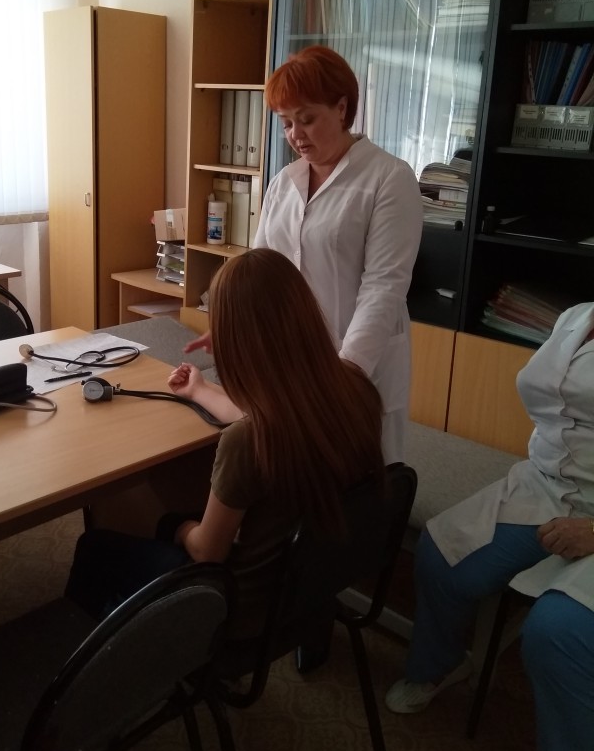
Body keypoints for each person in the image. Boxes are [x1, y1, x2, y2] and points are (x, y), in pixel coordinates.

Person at [66, 248, 385, 638]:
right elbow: (265, 418)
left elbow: (207, 551)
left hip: (240, 612)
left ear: (239, 344)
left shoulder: (245, 443)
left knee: (96, 546)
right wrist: (200, 390)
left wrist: (175, 525)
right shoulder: (357, 391)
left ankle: (121, 661)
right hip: (307, 592)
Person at [384, 302, 594, 751]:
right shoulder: (576, 316)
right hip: (544, 484)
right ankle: (443, 664)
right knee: (443, 553)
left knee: (557, 633)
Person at [186, 45, 423, 464]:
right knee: (295, 466)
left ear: (342, 108)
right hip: (291, 353)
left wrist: (348, 372)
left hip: (359, 358)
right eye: (286, 123)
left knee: (361, 469)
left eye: (307, 119)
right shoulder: (284, 182)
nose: (296, 134)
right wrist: (230, 326)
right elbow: (259, 270)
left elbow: (384, 287)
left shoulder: (389, 178)